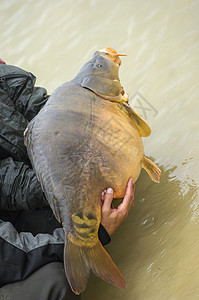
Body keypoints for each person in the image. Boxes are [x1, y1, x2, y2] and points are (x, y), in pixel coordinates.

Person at [0, 59, 135, 300]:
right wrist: (89, 231)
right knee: (57, 282)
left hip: (26, 200)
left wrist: (98, 115)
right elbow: (10, 254)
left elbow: (48, 114)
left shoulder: (3, 75)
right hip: (6, 250)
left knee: (115, 176)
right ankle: (85, 251)